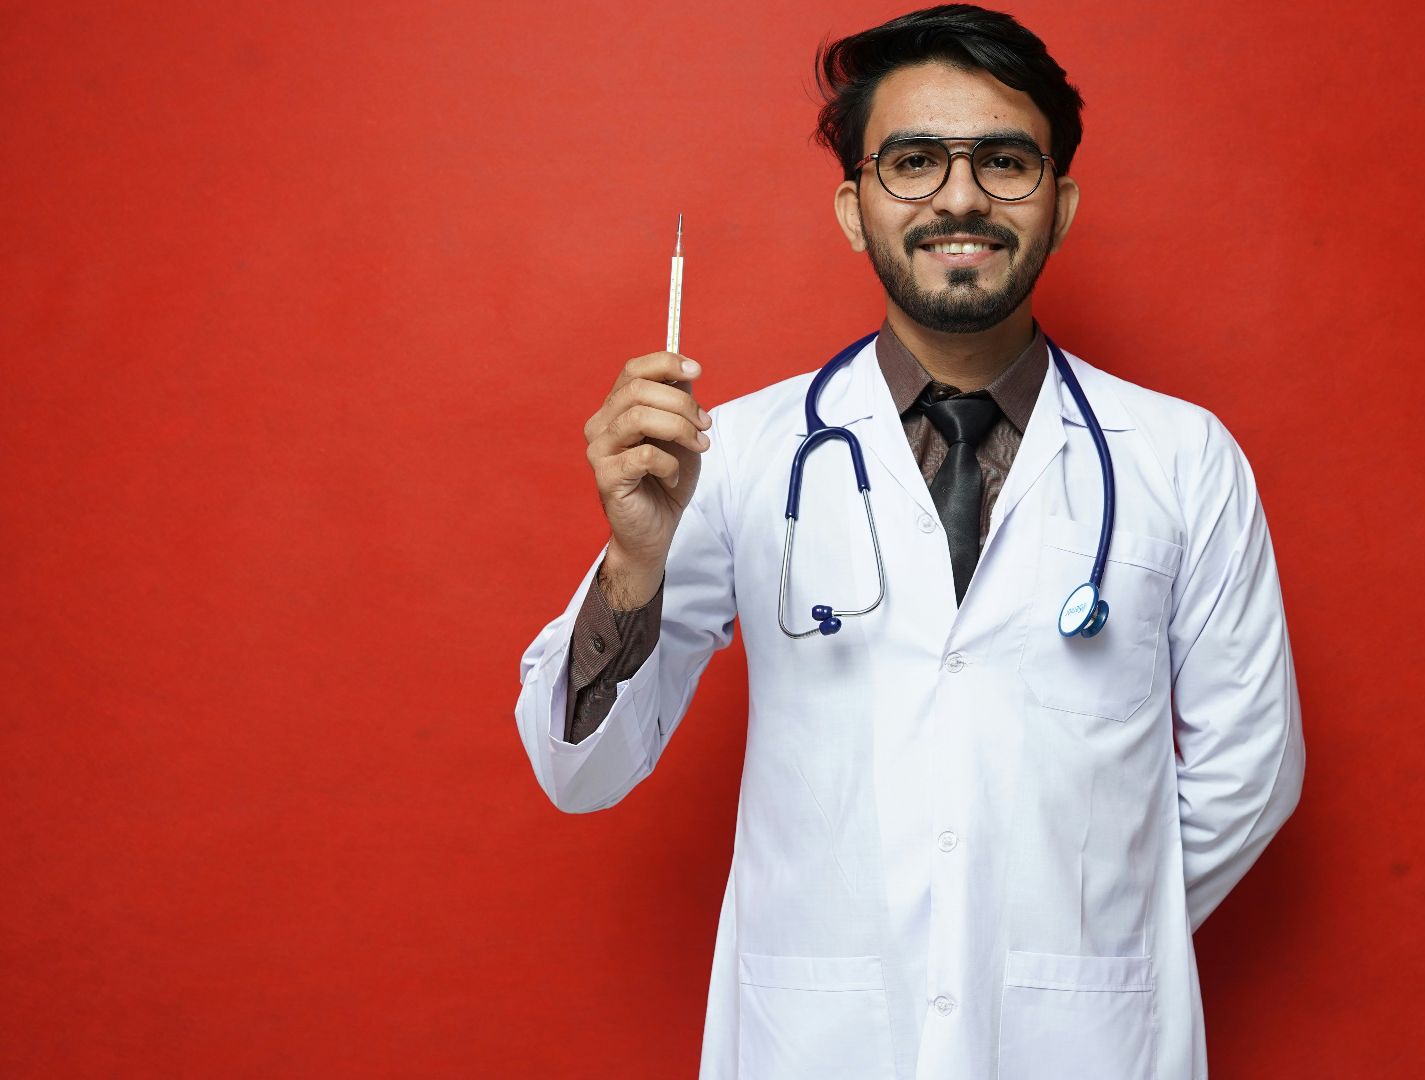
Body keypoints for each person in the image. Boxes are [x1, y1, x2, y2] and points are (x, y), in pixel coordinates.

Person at [513, 6, 1305, 1077]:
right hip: (819, 1040)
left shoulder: (1181, 459)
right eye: (915, 161)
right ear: (855, 209)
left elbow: (1250, 769)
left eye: (1005, 161)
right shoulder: (738, 452)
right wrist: (636, 561)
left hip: (1082, 1043)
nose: (961, 196)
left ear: (1060, 203)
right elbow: (582, 773)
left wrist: (1077, 930)